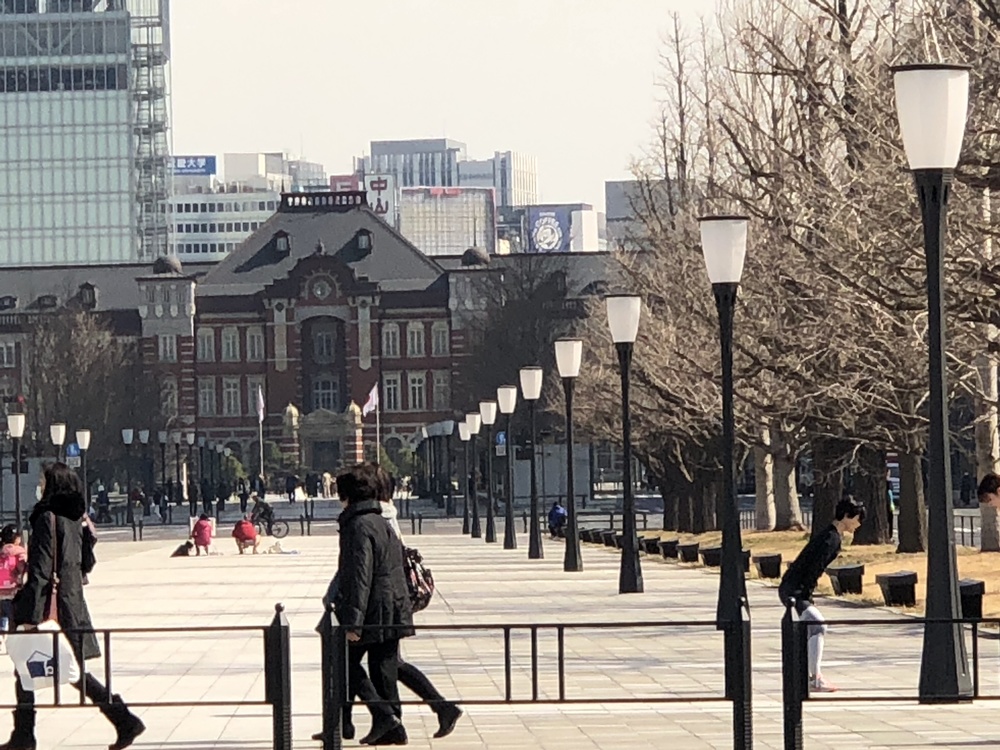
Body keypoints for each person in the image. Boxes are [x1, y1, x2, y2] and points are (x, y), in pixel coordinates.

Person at [2, 463, 145, 750]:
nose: (40, 486)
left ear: (53, 484)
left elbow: (41, 569)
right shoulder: (77, 518)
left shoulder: (46, 518)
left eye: (43, 481)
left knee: (41, 666)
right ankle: (121, 719)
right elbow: (87, 563)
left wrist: (29, 613)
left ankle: (26, 735)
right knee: (62, 668)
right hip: (72, 602)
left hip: (47, 605)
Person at [333, 464, 414, 746]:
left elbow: (360, 575)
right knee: (383, 668)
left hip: (374, 608)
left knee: (344, 662)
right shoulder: (380, 520)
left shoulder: (358, 526)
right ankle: (392, 726)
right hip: (392, 604)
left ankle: (384, 716)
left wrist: (353, 622)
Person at [778, 496, 865, 693]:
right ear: (846, 516)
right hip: (795, 591)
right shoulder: (830, 539)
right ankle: (815, 679)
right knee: (817, 626)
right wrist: (806, 596)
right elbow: (813, 569)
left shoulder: (830, 535)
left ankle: (806, 676)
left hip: (793, 588)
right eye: (857, 519)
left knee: (811, 628)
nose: (859, 524)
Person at [0, 526, 27, 652]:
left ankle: (1, 638)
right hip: (12, 591)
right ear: (16, 539)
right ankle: (11, 642)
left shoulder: (1, 551)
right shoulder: (19, 552)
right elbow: (22, 569)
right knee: (12, 619)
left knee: (2, 617)